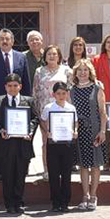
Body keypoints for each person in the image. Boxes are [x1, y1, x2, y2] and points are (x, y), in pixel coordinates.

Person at [0, 29, 30, 177]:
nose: (4, 41)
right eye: (2, 39)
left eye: (7, 39)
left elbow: (26, 80)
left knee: (18, 136)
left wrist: (27, 101)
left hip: (18, 103)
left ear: (12, 41)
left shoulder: (21, 57)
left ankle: (21, 166)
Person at [0, 73, 38, 214]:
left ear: (20, 86)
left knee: (20, 174)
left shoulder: (28, 101)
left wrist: (30, 131)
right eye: (9, 86)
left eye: (15, 86)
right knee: (8, 175)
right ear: (5, 87)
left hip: (23, 144)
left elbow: (34, 119)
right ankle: (9, 203)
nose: (12, 88)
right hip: (6, 145)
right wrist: (0, 130)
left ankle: (19, 202)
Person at [70, 60, 107, 210]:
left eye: (85, 70)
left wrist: (103, 130)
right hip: (79, 130)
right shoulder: (71, 90)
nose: (83, 72)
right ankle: (84, 195)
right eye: (80, 70)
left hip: (95, 129)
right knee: (83, 165)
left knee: (95, 164)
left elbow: (103, 112)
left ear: (90, 72)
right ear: (75, 73)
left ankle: (93, 195)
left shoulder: (97, 88)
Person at [33, 45, 73, 179]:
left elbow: (72, 91)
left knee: (63, 142)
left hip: (63, 112)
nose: (51, 56)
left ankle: (64, 169)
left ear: (59, 56)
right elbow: (35, 92)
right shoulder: (39, 71)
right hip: (46, 112)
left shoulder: (67, 70)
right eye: (49, 54)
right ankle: (47, 169)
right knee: (46, 142)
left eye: (54, 54)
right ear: (45, 57)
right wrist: (37, 113)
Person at [40, 82, 77, 212]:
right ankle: (55, 202)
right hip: (53, 143)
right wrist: (47, 131)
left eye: (63, 93)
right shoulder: (48, 107)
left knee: (66, 174)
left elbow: (75, 122)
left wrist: (75, 131)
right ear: (53, 94)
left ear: (67, 94)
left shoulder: (71, 108)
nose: (61, 96)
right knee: (54, 174)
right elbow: (42, 121)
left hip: (67, 143)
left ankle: (65, 202)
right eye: (58, 93)